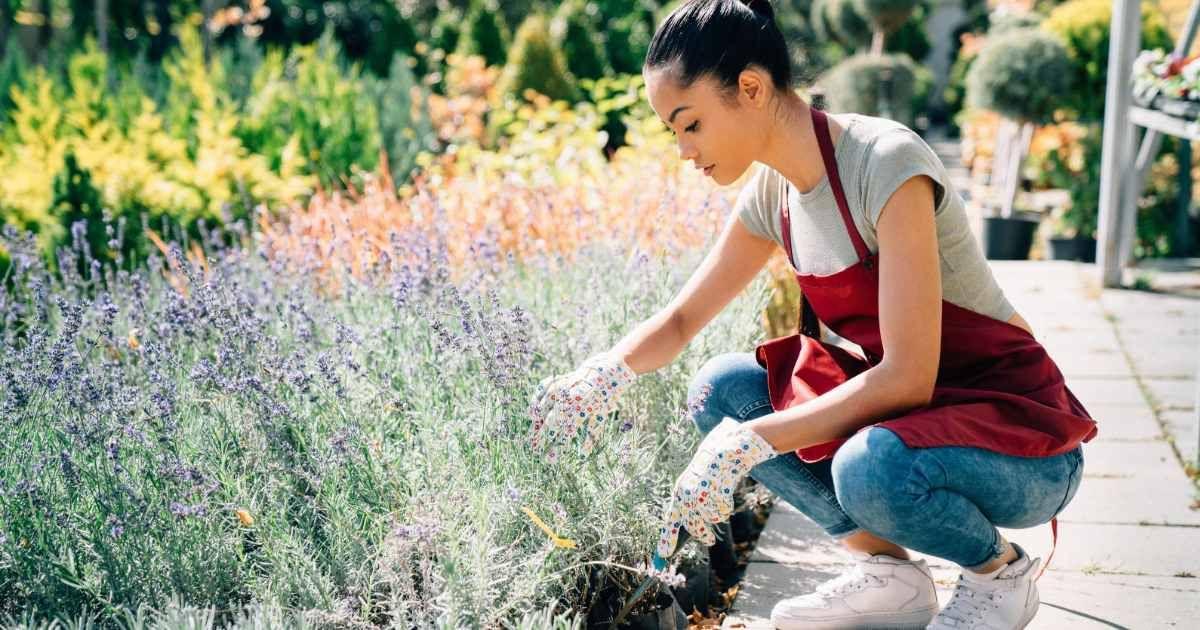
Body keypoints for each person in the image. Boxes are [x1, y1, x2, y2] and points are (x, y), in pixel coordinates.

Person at [526, 1, 1098, 628]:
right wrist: (605, 373)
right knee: (724, 390)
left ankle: (1001, 574)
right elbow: (684, 321)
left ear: (750, 87)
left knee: (866, 467)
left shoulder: (884, 163)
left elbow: (908, 377)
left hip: (1023, 442)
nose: (684, 151)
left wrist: (750, 444)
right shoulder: (773, 195)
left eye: (690, 124)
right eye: (673, 131)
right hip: (916, 425)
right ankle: (888, 575)